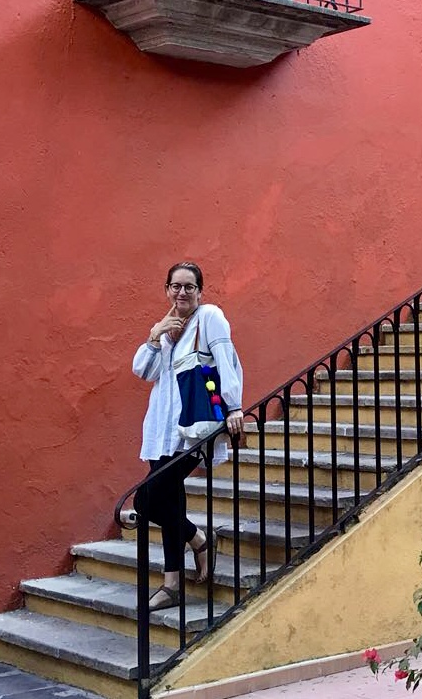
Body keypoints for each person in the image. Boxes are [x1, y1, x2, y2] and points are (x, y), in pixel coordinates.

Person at [131, 261, 244, 610]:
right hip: (160, 431)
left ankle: (197, 540)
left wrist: (234, 406)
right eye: (175, 286)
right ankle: (173, 582)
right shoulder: (165, 329)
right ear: (166, 290)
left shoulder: (209, 317)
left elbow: (226, 359)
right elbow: (142, 371)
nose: (182, 292)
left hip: (193, 431)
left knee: (144, 500)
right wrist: (155, 336)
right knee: (169, 500)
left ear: (200, 291)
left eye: (189, 287)